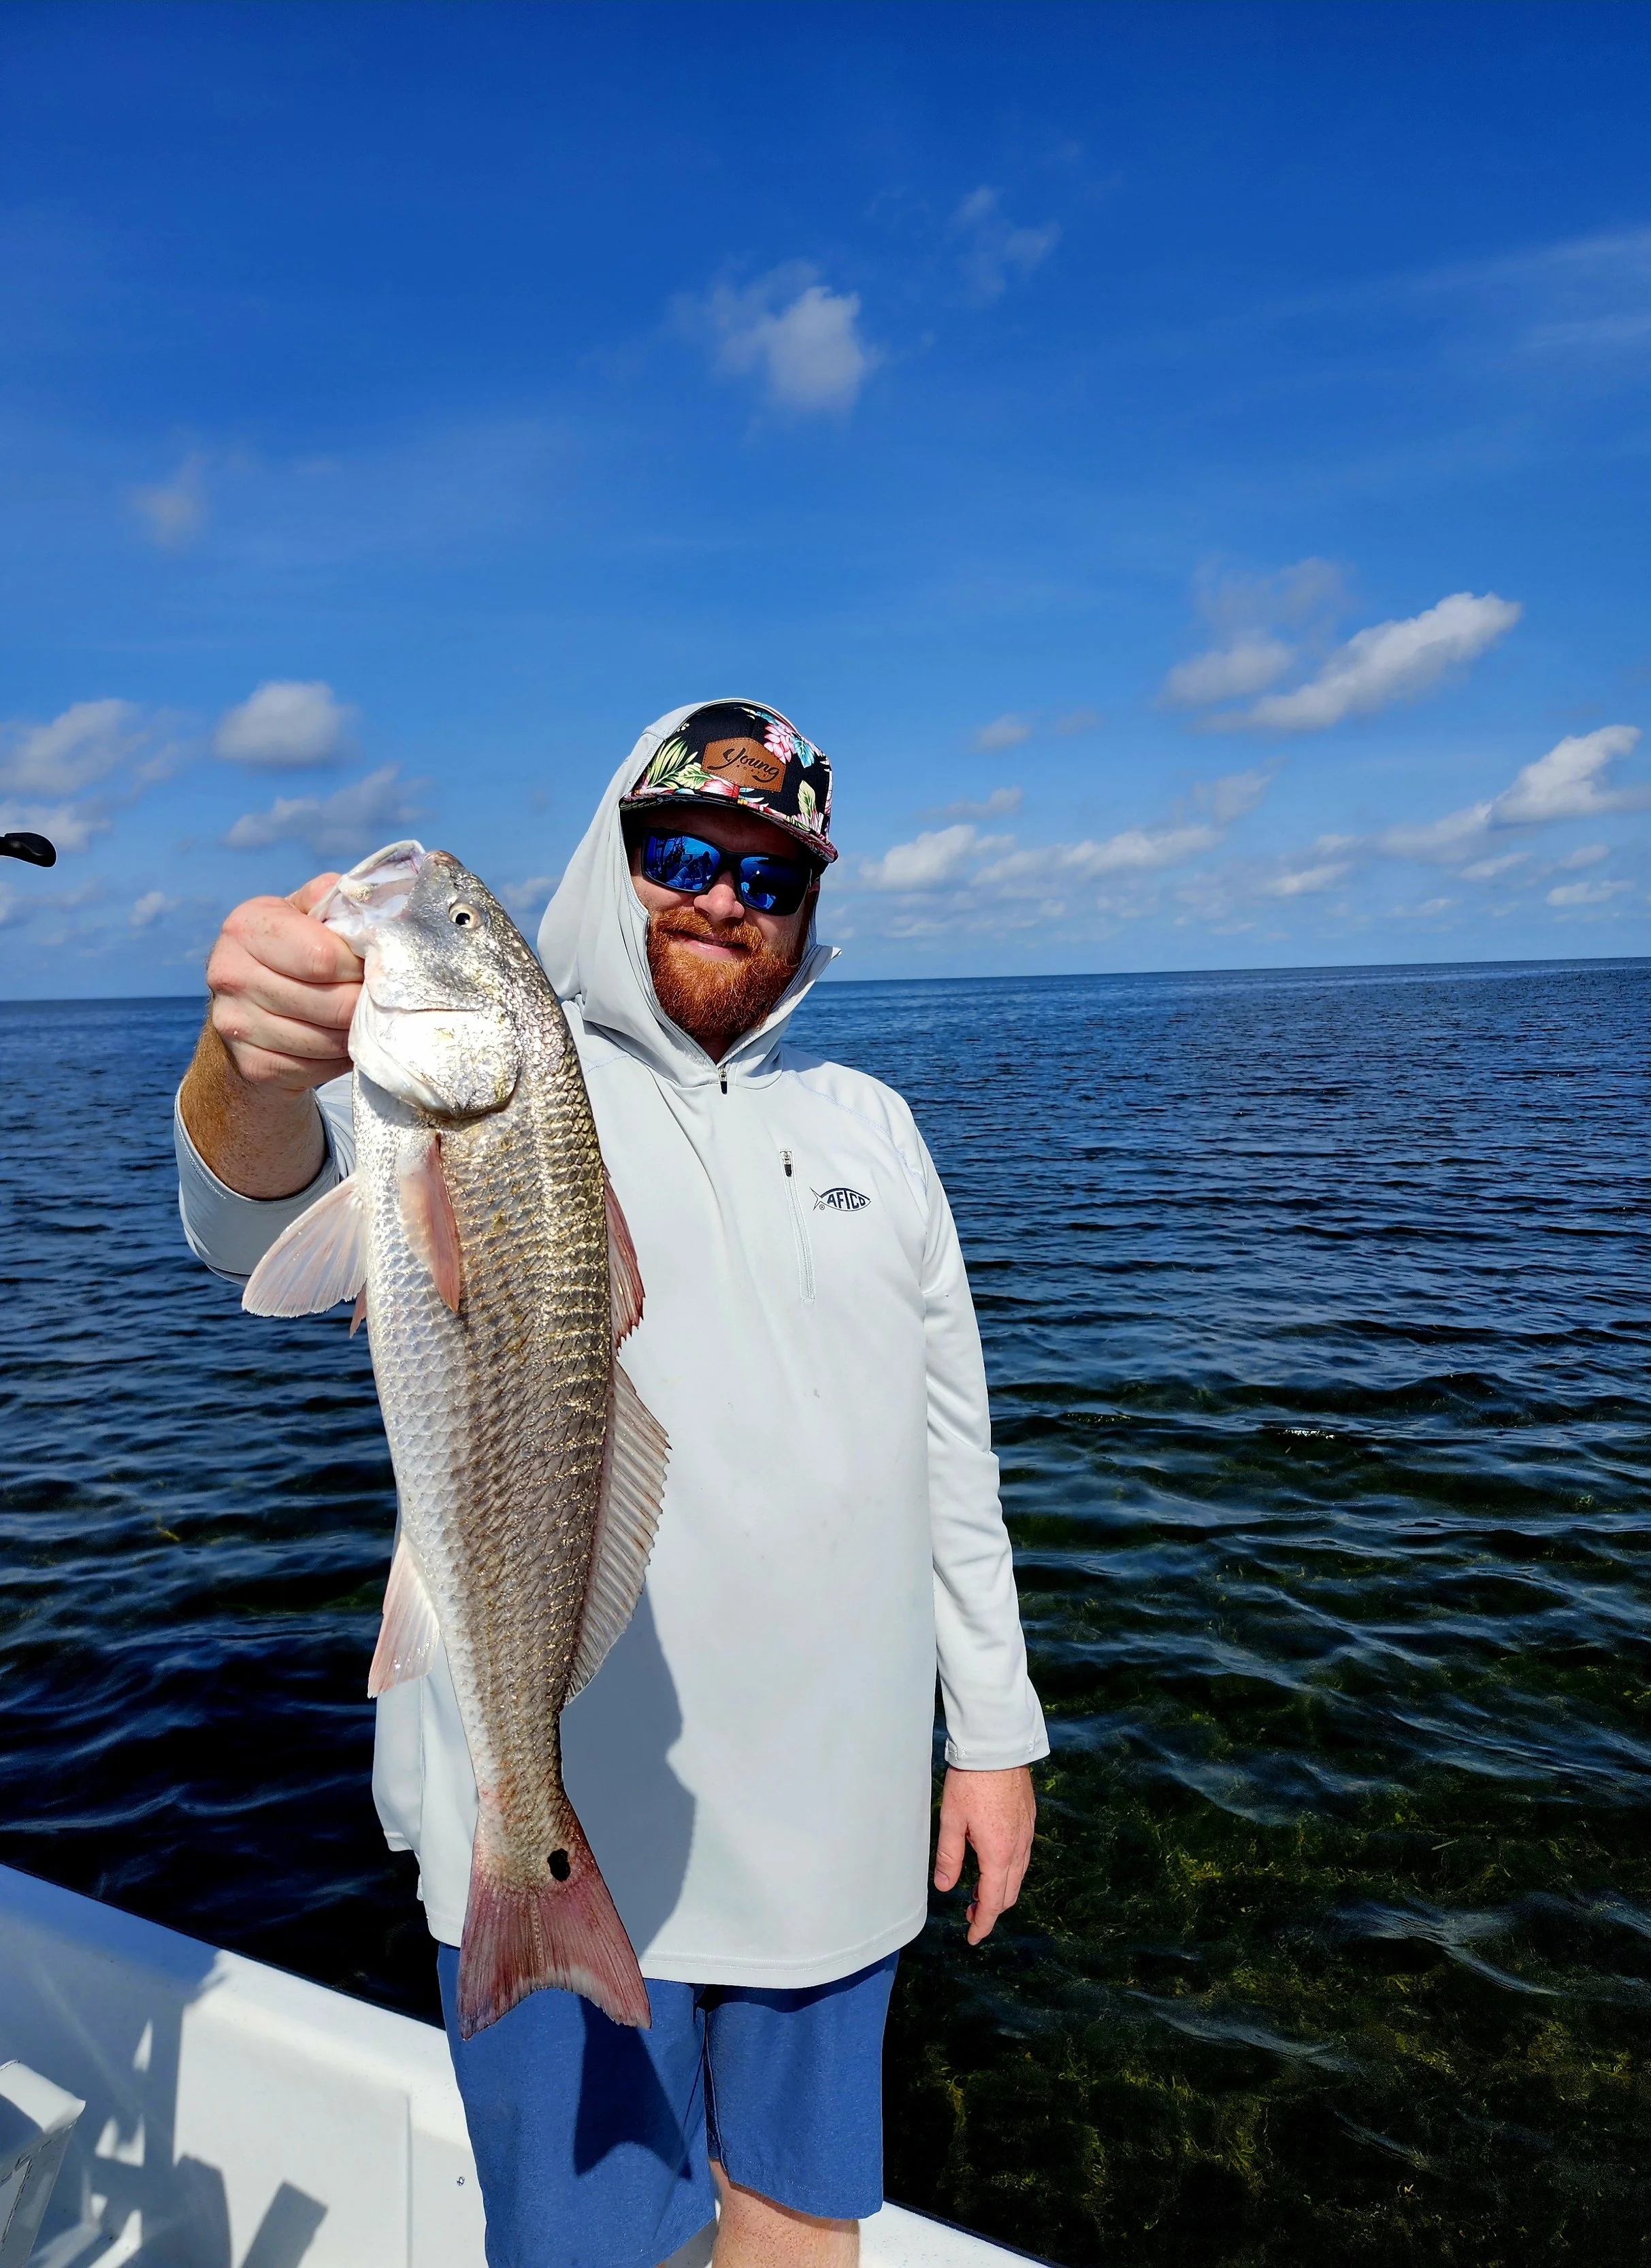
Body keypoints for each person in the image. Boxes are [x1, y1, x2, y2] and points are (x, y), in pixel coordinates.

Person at [174, 700, 1048, 2268]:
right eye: (681, 851)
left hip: (838, 1828)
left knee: (802, 2219)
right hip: (568, 1838)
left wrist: (991, 1738)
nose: (722, 895)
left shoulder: (878, 1129)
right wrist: (249, 1056)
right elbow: (252, 1209)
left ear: (807, 912)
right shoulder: (511, 1066)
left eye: (770, 877)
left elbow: (949, 1455)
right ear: (608, 852)